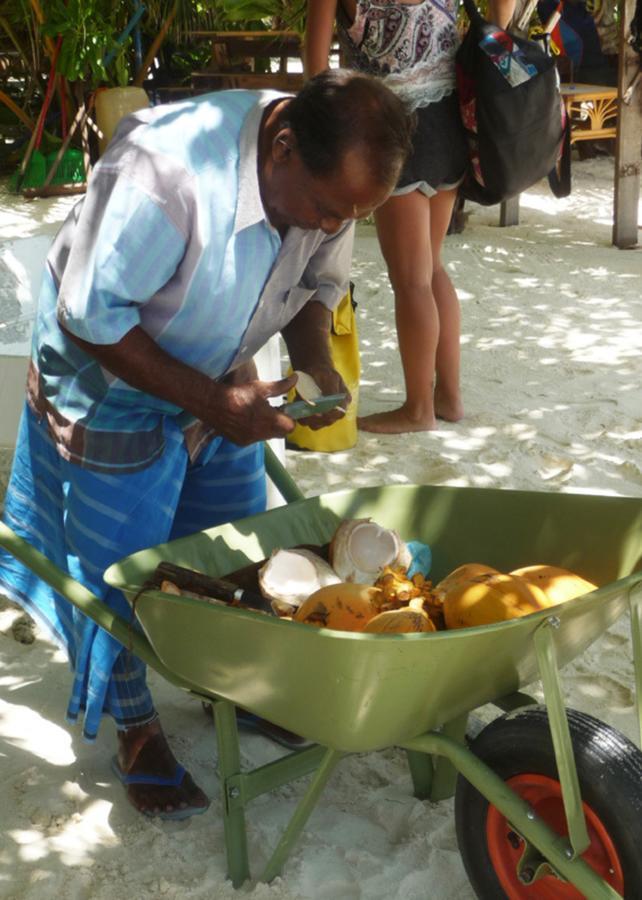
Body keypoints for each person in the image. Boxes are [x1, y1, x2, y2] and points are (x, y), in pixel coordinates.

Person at [0, 70, 413, 820]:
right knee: (122, 563)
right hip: (110, 375)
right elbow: (91, 314)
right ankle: (135, 725)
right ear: (281, 147)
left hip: (222, 362)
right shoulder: (165, 172)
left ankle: (231, 681)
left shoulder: (329, 179)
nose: (329, 228)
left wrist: (315, 361)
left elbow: (316, 287)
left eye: (347, 218)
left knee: (225, 538)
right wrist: (212, 403)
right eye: (324, 210)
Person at [305, 0, 515, 434]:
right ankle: (449, 397)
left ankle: (418, 409)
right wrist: (496, 29)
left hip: (390, 125)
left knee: (411, 280)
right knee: (432, 266)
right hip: (449, 119)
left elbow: (316, 65)